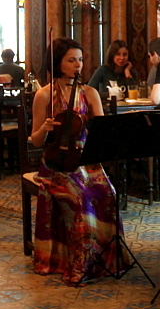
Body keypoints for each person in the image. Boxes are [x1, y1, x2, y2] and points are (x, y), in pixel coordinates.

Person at [29, 37, 124, 285]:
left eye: (80, 60)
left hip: (85, 158)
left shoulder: (89, 93)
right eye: (71, 60)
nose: (78, 65)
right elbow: (36, 140)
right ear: (58, 63)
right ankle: (80, 262)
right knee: (80, 196)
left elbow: (101, 132)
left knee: (108, 192)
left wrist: (97, 134)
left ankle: (104, 257)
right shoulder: (44, 94)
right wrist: (45, 129)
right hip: (56, 163)